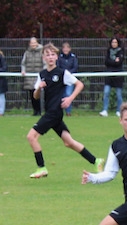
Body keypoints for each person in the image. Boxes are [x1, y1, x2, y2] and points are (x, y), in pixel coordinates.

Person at [26, 43, 101, 179]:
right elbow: (35, 96)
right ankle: (96, 161)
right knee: (69, 142)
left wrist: (70, 98)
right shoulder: (42, 75)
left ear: (56, 57)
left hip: (54, 113)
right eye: (47, 55)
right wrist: (39, 88)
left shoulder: (62, 73)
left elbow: (80, 84)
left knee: (31, 137)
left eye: (52, 54)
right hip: (51, 113)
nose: (50, 57)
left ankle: (41, 168)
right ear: (43, 58)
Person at [99, 37, 124, 117]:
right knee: (106, 92)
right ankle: (105, 110)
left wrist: (113, 62)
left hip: (118, 76)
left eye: (115, 42)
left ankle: (119, 111)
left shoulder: (121, 51)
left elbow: (119, 62)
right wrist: (114, 61)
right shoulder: (108, 51)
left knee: (119, 95)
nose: (114, 44)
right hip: (109, 75)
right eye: (113, 42)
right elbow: (106, 62)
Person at [21, 37, 43, 116]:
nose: (33, 44)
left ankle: (39, 111)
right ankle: (35, 111)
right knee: (31, 94)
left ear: (37, 43)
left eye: (34, 42)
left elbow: (44, 63)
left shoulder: (41, 52)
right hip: (29, 76)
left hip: (38, 76)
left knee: (37, 93)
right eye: (32, 43)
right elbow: (23, 63)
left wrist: (43, 73)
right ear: (30, 44)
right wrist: (23, 70)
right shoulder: (27, 53)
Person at [57, 42, 78, 115]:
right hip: (61, 78)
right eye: (64, 48)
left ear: (69, 49)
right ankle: (60, 110)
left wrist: (68, 74)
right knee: (61, 94)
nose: (65, 49)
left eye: (67, 48)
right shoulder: (59, 57)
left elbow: (75, 67)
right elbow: (58, 67)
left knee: (68, 94)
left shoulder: (73, 57)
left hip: (70, 79)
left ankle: (68, 111)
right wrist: (63, 73)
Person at [0, 50, 7, 117]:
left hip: (1, 80)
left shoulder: (1, 57)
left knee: (1, 96)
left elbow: (4, 68)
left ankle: (1, 112)